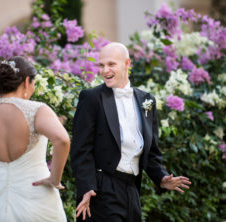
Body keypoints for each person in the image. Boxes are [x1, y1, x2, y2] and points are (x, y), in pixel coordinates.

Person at [70, 42, 191, 222]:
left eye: (111, 64)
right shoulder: (91, 98)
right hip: (102, 189)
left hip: (132, 189)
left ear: (127, 64)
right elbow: (81, 150)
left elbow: (151, 152)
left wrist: (162, 177)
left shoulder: (146, 100)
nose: (105, 70)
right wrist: (86, 187)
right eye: (101, 65)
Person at [0, 56, 70, 221]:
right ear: (27, 82)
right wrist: (54, 179)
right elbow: (62, 140)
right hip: (38, 200)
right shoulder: (37, 110)